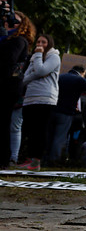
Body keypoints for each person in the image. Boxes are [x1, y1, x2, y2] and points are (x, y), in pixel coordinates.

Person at [17, 34, 61, 171]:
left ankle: (36, 161)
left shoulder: (54, 56)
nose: (40, 44)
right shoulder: (34, 57)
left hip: (45, 98)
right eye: (38, 42)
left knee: (39, 130)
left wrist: (38, 59)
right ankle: (29, 158)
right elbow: (25, 78)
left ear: (50, 43)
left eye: (44, 42)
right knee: (29, 130)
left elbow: (41, 70)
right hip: (30, 98)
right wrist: (36, 71)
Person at [0, 11, 36, 168]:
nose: (9, 22)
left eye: (14, 20)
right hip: (7, 85)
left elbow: (7, 61)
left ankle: (4, 158)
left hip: (8, 87)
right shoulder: (8, 39)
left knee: (4, 123)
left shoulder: (19, 40)